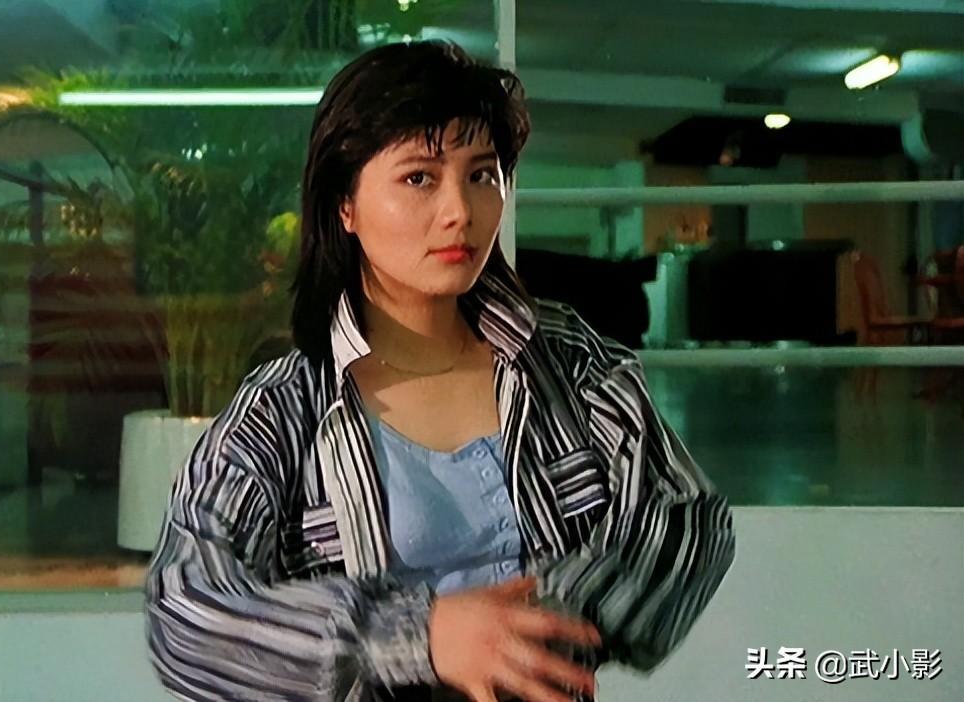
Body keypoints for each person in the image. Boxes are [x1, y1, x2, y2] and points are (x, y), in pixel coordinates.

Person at [144, 40, 735, 702]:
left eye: (481, 174)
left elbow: (687, 518)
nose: (460, 211)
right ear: (345, 204)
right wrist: (416, 635)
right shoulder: (286, 408)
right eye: (420, 178)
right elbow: (184, 608)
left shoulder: (567, 364)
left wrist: (543, 622)